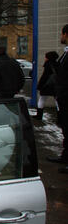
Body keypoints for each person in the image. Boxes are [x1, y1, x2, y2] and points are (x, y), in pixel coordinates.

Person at [47, 24, 68, 174]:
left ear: (66, 34)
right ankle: (65, 156)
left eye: (62, 34)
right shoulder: (65, 53)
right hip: (63, 97)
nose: (61, 37)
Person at [34, 51, 59, 120]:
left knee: (42, 99)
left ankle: (39, 115)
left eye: (46, 57)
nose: (45, 58)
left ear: (48, 58)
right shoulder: (57, 64)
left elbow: (44, 76)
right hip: (55, 85)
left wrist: (39, 85)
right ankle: (60, 117)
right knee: (57, 101)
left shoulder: (48, 65)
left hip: (46, 85)